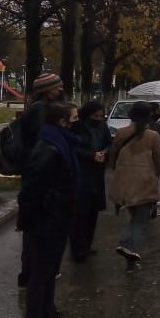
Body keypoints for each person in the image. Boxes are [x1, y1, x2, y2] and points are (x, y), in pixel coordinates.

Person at [17, 102, 81, 318]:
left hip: (57, 219)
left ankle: (48, 317)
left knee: (49, 274)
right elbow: (31, 191)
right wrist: (37, 218)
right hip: (47, 222)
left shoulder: (61, 142)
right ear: (62, 122)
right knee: (40, 278)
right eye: (74, 118)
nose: (78, 121)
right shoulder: (50, 148)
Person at [17, 73, 67, 288]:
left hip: (36, 173)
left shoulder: (40, 108)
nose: (61, 89)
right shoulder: (41, 111)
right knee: (36, 227)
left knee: (34, 227)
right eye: (58, 86)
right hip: (38, 176)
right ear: (48, 89)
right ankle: (31, 276)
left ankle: (31, 274)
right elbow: (42, 143)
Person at [108, 101, 160, 272]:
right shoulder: (153, 136)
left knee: (134, 218)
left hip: (124, 184)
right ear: (149, 116)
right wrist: (154, 176)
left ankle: (130, 259)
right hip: (144, 183)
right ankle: (127, 246)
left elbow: (113, 157)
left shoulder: (120, 133)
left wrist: (118, 173)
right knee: (141, 222)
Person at [69, 101, 111, 262]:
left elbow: (108, 143)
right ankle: (77, 249)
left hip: (97, 174)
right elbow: (74, 147)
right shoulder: (78, 127)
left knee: (93, 213)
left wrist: (104, 153)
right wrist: (91, 155)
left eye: (101, 116)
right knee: (80, 213)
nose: (99, 119)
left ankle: (86, 245)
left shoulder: (102, 127)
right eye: (96, 116)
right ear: (87, 114)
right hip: (81, 173)